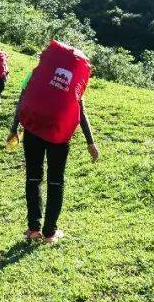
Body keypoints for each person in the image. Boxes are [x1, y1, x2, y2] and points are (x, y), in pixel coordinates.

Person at [6, 42, 98, 243]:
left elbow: (22, 100)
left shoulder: (37, 74)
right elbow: (80, 111)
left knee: (33, 178)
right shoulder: (75, 81)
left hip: (33, 130)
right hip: (59, 134)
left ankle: (33, 229)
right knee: (56, 181)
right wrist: (90, 142)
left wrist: (14, 129)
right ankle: (49, 233)